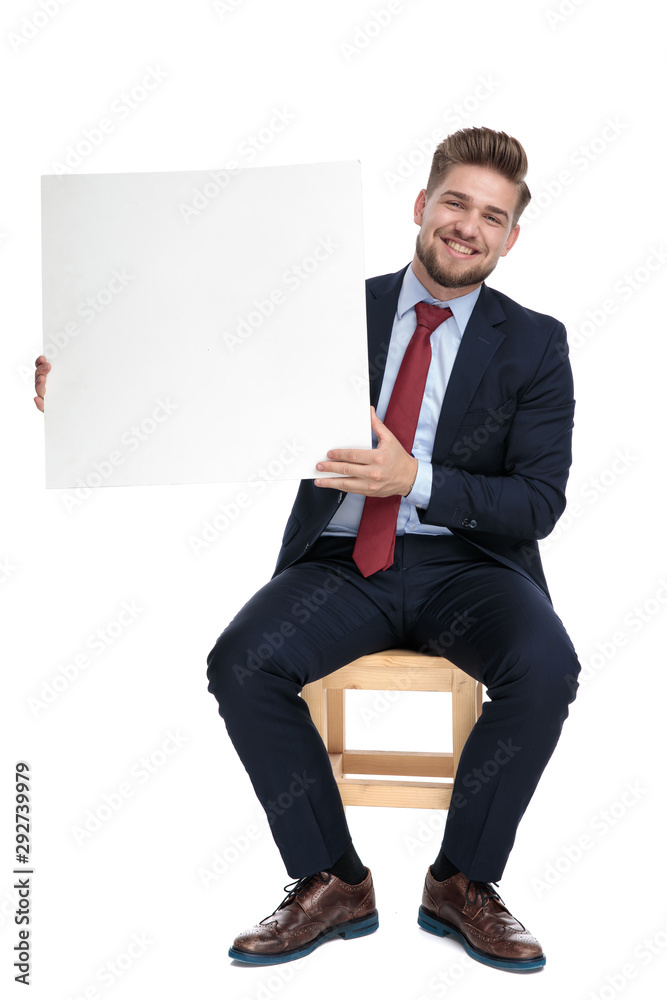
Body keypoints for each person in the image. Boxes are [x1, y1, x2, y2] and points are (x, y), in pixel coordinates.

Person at [34, 127, 580, 974]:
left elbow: (538, 502)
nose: (468, 226)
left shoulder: (535, 342)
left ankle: (463, 881)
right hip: (342, 563)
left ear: (511, 237)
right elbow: (198, 375)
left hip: (469, 565)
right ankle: (332, 879)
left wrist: (416, 479)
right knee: (241, 661)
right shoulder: (331, 307)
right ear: (421, 207)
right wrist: (89, 388)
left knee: (546, 665)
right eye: (455, 203)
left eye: (492, 216)